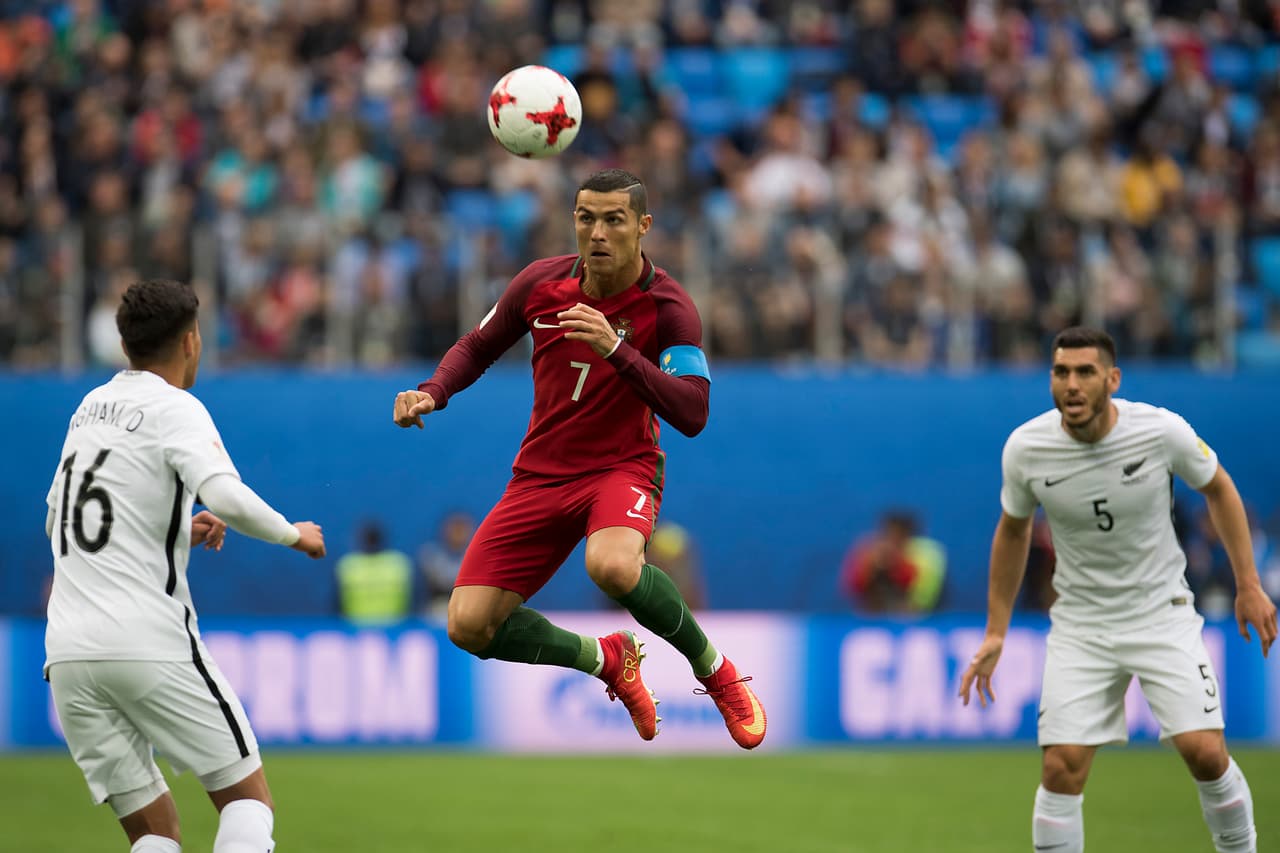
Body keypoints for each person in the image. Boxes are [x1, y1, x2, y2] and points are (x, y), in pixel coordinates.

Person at [392, 168, 765, 749]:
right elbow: (476, 345)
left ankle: (715, 670)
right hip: (539, 476)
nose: (597, 232)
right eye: (586, 218)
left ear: (642, 226)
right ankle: (607, 659)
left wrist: (616, 349)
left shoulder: (668, 306)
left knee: (612, 566)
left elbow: (693, 412)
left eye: (613, 219)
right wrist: (433, 390)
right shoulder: (539, 284)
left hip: (623, 467)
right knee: (468, 625)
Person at [959, 327, 1277, 853]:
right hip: (1082, 624)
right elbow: (1012, 529)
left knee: (1203, 753)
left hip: (1161, 612)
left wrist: (1248, 583)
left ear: (1112, 379)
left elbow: (1219, 486)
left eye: (1085, 372)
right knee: (1062, 766)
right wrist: (997, 631)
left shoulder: (1160, 431)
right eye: (1061, 372)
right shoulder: (1026, 448)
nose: (1072, 385)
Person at [44, 279, 327, 853]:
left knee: (154, 833)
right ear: (191, 341)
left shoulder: (87, 408)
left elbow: (61, 521)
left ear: (124, 343)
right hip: (148, 642)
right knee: (248, 800)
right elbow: (224, 494)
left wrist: (169, 529)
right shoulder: (176, 407)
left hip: (68, 654)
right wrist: (292, 534)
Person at [335, 520, 414, 625]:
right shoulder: (398, 563)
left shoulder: (348, 565)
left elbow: (337, 603)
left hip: (357, 628)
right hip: (393, 628)